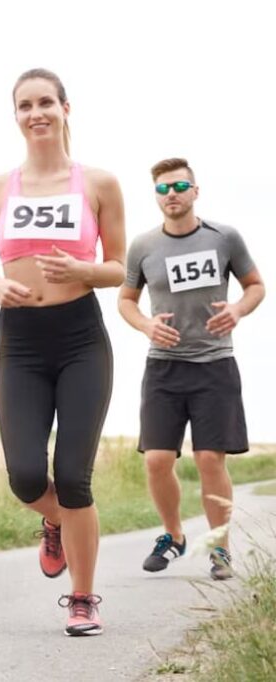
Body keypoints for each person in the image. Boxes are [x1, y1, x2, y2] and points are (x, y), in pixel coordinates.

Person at [0, 68, 125, 636]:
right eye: (24, 105)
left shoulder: (99, 183)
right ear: (15, 116)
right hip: (21, 343)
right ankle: (57, 523)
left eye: (45, 103)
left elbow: (119, 267)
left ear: (65, 108)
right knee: (26, 475)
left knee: (74, 477)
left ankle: (83, 597)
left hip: (81, 336)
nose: (35, 114)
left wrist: (84, 269)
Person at [118, 158, 265, 581]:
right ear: (156, 197)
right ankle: (174, 536)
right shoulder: (144, 246)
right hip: (164, 367)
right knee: (157, 460)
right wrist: (145, 324)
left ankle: (220, 549)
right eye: (163, 189)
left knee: (208, 459)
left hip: (215, 364)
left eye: (179, 186)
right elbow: (126, 299)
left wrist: (237, 309)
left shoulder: (224, 238)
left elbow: (255, 285)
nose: (172, 195)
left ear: (195, 191)